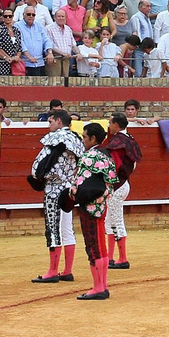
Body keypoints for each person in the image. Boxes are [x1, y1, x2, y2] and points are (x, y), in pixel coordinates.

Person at [29, 110, 84, 283]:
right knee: (67, 229)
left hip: (53, 189)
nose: (49, 124)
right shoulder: (77, 139)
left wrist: (38, 178)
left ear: (59, 121)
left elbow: (38, 167)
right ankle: (67, 270)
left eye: (51, 121)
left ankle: (52, 271)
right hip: (69, 189)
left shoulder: (54, 139)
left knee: (53, 229)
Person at [69, 122, 119, 300]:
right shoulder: (106, 154)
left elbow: (79, 184)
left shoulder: (89, 156)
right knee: (100, 246)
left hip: (89, 206)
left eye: (84, 137)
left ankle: (99, 287)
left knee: (93, 247)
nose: (82, 140)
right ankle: (102, 285)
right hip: (101, 205)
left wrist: (72, 195)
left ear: (93, 138)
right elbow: (112, 181)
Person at [102, 112, 141, 270]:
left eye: (110, 123)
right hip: (123, 184)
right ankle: (111, 257)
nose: (109, 126)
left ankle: (122, 258)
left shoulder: (117, 142)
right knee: (110, 221)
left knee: (116, 221)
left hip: (116, 186)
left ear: (117, 125)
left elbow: (113, 166)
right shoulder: (129, 139)